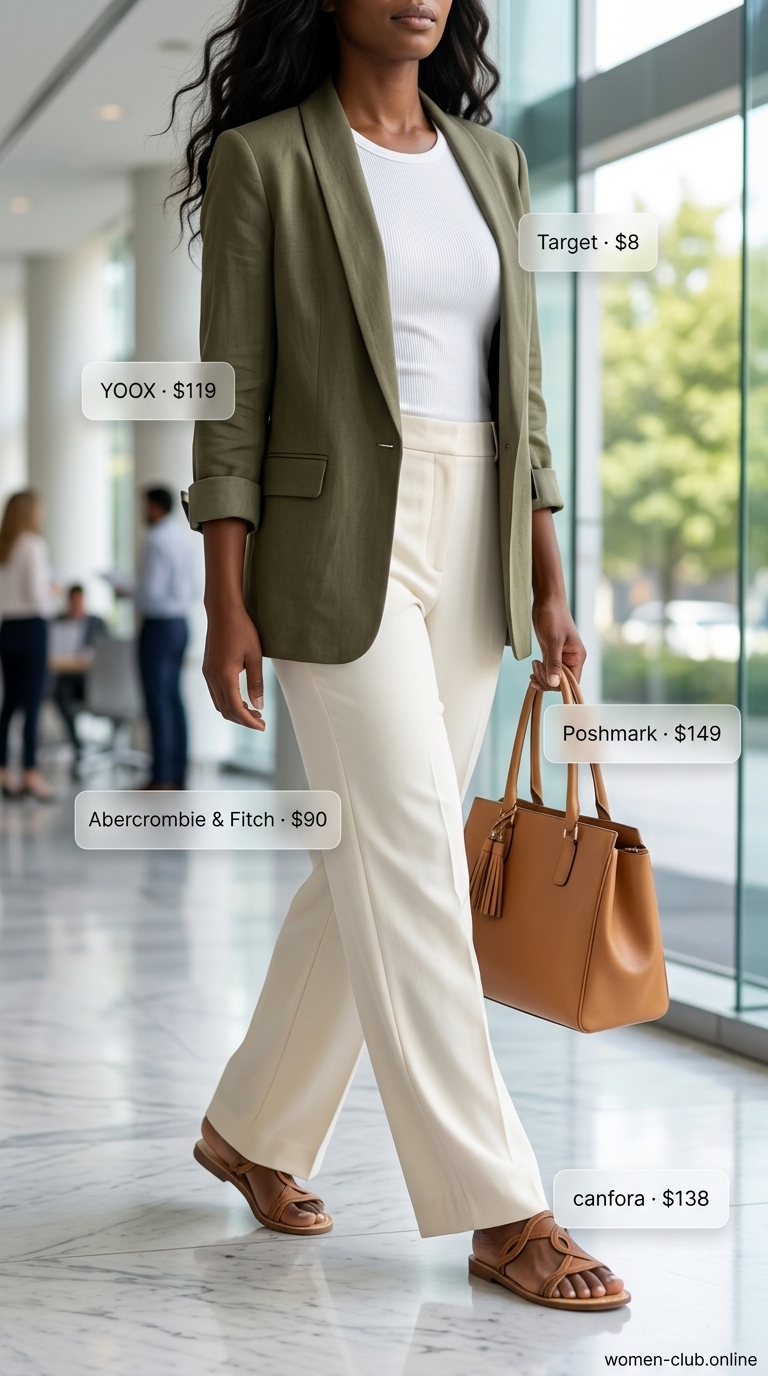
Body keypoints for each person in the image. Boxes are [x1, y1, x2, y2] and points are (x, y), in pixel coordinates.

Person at [175, 0, 629, 1311]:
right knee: (417, 855)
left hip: (475, 532)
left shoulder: (495, 161)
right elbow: (232, 395)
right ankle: (503, 1209)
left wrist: (548, 574)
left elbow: (524, 390)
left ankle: (252, 1126)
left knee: (374, 856)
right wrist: (225, 593)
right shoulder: (267, 158)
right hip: (329, 549)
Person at [135, 487, 200, 790]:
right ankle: (177, 773)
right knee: (174, 699)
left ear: (154, 506)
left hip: (158, 627)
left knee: (158, 702)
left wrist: (127, 590)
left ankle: (161, 776)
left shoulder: (156, 539)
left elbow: (151, 592)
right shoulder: (183, 537)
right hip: (180, 625)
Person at [0, 490, 54, 801]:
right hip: (32, 628)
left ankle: (5, 772)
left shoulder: (4, 546)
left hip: (7, 629)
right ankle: (31, 773)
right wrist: (54, 589)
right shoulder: (33, 545)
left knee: (9, 704)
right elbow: (36, 593)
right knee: (32, 704)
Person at [49, 585, 108, 771]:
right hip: (67, 678)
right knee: (61, 692)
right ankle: (77, 745)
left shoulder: (96, 623)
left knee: (64, 690)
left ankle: (80, 747)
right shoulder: (58, 622)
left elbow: (107, 651)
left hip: (93, 681)